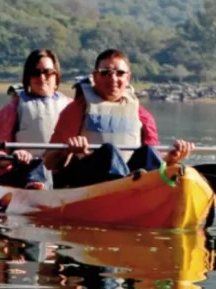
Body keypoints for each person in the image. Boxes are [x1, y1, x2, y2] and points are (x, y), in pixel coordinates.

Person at [43, 49, 194, 189]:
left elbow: (153, 162)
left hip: (130, 183)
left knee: (148, 151)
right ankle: (124, 187)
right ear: (95, 77)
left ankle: (137, 190)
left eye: (120, 73)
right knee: (109, 151)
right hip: (87, 180)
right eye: (105, 73)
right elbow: (49, 163)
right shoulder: (76, 110)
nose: (113, 79)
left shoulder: (143, 116)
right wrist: (68, 151)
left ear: (128, 78)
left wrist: (172, 159)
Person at [0, 49, 71, 189]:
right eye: (35, 73)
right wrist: (13, 155)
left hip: (59, 169)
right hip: (24, 170)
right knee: (37, 164)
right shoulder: (12, 108)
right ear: (28, 77)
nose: (42, 77)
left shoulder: (71, 106)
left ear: (56, 75)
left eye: (47, 72)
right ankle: (36, 189)